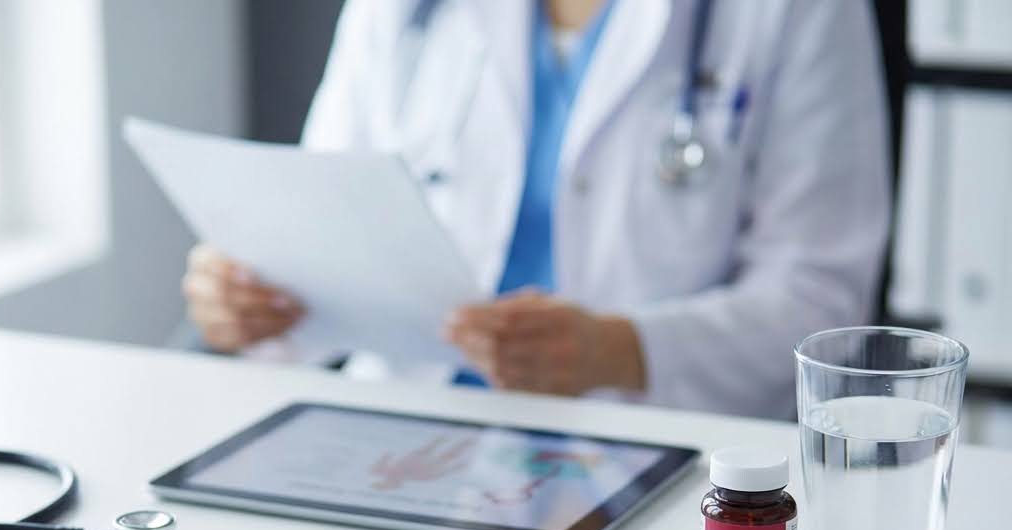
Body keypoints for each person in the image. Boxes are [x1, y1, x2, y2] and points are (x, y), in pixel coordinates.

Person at [180, 0, 890, 419]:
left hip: (660, 446)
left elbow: (819, 303)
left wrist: (621, 350)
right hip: (405, 426)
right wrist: (251, 295)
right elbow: (322, 219)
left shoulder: (797, 11)